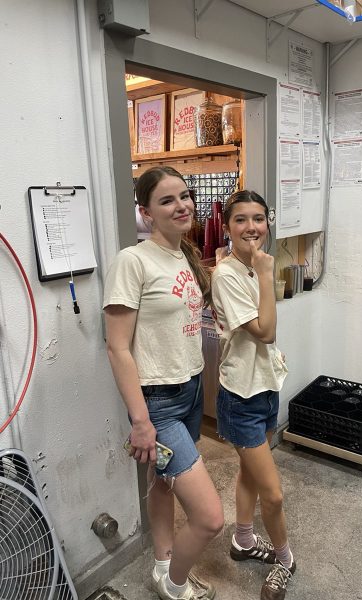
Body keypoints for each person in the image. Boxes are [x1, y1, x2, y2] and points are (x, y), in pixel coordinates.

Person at [103, 166, 223, 600]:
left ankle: (161, 562)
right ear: (146, 211)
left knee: (161, 481)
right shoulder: (132, 261)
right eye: (167, 200)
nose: (182, 205)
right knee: (210, 518)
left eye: (185, 195)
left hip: (190, 389)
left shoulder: (184, 255)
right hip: (158, 401)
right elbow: (117, 348)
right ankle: (174, 586)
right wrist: (140, 421)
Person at [211, 190, 294, 600]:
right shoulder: (229, 273)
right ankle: (285, 559)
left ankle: (242, 541)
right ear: (227, 226)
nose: (251, 227)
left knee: (249, 472)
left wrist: (261, 271)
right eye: (241, 219)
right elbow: (265, 330)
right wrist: (265, 273)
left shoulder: (253, 267)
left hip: (264, 388)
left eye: (258, 219)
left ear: (268, 222)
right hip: (241, 397)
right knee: (273, 492)